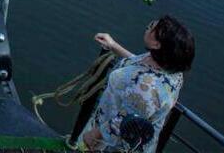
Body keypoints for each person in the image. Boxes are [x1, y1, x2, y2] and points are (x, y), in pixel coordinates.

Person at [78, 16, 195, 152]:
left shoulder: (146, 91)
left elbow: (124, 123)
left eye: (153, 28)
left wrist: (95, 134)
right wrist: (114, 46)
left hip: (110, 142)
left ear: (157, 45)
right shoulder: (167, 68)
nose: (150, 26)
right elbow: (138, 64)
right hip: (107, 119)